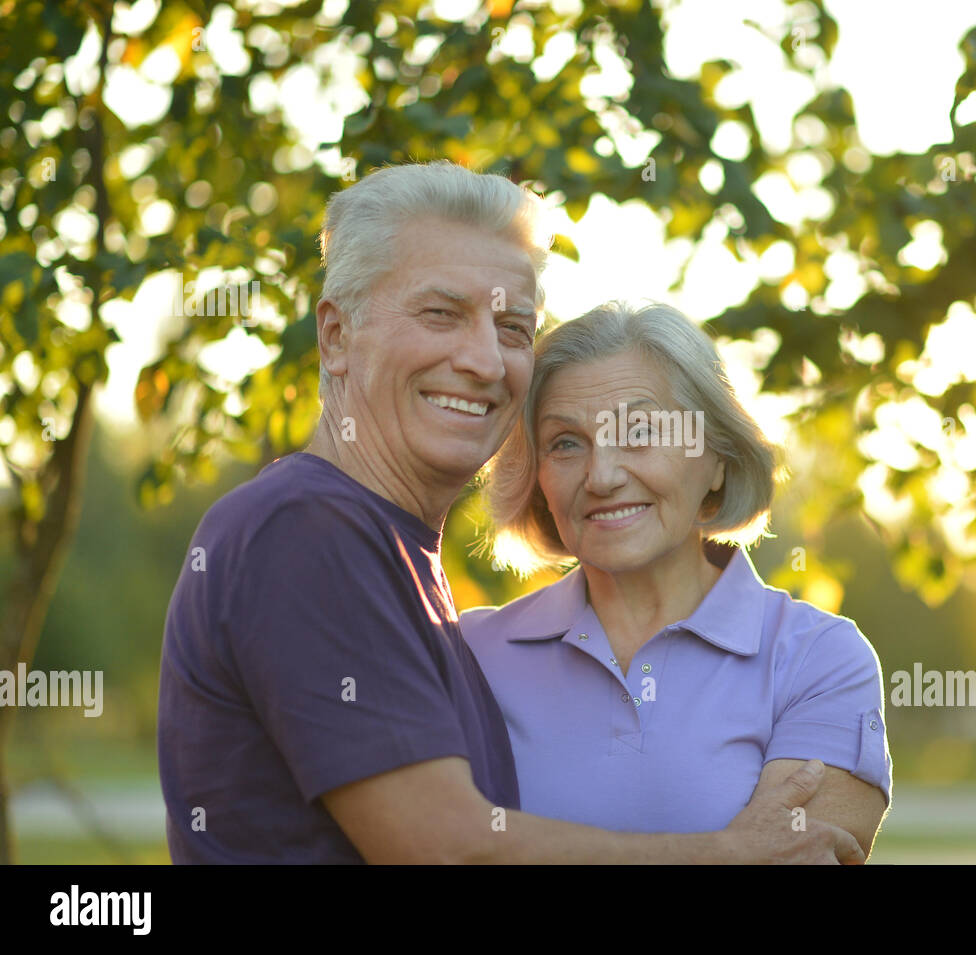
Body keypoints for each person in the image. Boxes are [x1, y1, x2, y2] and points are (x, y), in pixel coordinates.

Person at [157, 160, 863, 864]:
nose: (485, 360)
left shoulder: (409, 576)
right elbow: (449, 849)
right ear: (337, 337)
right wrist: (725, 853)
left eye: (513, 326)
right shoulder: (307, 529)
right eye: (442, 313)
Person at [461, 301, 892, 854]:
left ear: (717, 460)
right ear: (537, 476)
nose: (603, 475)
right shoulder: (467, 653)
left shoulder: (820, 659)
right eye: (566, 442)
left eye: (639, 432)